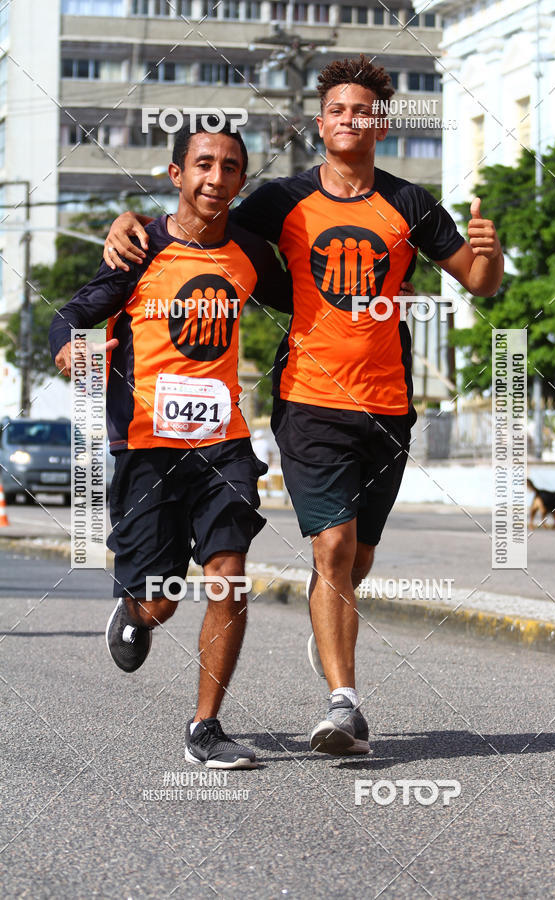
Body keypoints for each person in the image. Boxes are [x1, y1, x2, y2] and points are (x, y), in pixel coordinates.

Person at [102, 55, 504, 757]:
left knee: (356, 557)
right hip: (308, 400)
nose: (349, 119)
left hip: (389, 407)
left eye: (363, 110)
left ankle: (330, 634)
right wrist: (129, 219)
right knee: (332, 546)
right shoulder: (281, 200)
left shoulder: (411, 203)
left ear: (381, 122)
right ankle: (343, 705)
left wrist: (488, 254)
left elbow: (480, 283)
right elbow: (202, 216)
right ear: (321, 123)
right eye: (338, 110)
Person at [49, 123, 292, 768]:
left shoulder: (248, 253)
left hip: (223, 442)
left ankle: (206, 727)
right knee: (160, 599)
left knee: (229, 580)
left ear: (242, 180)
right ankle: (134, 605)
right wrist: (68, 347)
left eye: (231, 167)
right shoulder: (140, 248)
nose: (217, 178)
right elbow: (71, 313)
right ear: (175, 173)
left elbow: (311, 300)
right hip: (145, 444)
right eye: (204, 164)